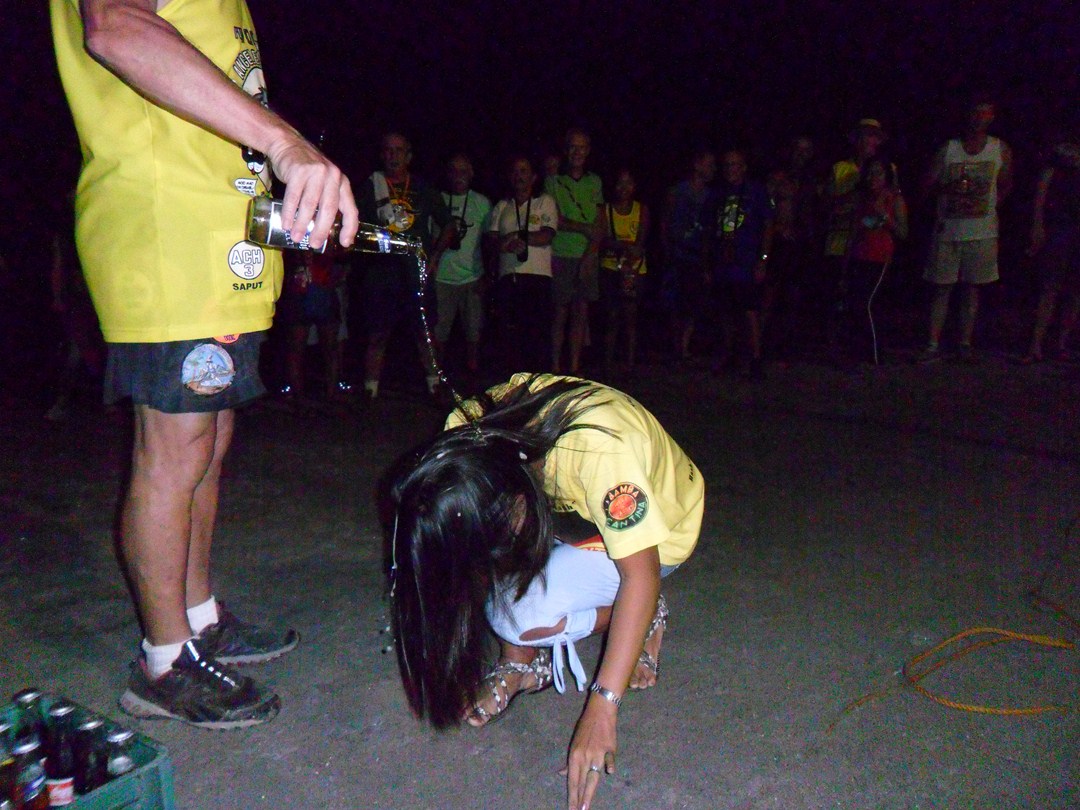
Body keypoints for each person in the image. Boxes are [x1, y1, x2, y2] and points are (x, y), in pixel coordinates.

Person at [51, 0, 359, 728]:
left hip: (223, 237)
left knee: (209, 441)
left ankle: (197, 618)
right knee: (173, 450)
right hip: (169, 231)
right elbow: (113, 26)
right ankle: (164, 662)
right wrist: (285, 142)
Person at [388, 373, 704, 810]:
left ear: (516, 497)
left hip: (662, 531)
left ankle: (645, 613)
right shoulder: (464, 434)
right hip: (576, 517)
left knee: (524, 618)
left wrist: (602, 707)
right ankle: (522, 663)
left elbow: (641, 572)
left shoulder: (600, 451)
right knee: (504, 599)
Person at [356, 132, 454, 399]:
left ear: (409, 156)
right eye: (388, 150)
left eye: (399, 150)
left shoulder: (423, 188)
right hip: (381, 272)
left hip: (416, 272)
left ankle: (435, 387)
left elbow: (448, 224)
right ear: (382, 155)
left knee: (425, 333)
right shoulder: (371, 187)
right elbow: (354, 225)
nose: (393, 156)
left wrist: (434, 257)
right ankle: (370, 391)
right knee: (377, 334)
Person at [918, 95, 1013, 363]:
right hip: (948, 229)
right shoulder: (949, 149)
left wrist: (988, 207)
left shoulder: (999, 148)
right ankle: (932, 344)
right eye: (975, 112)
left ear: (992, 117)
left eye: (985, 113)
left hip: (982, 232)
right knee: (942, 288)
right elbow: (926, 185)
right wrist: (945, 190)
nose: (979, 118)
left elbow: (1006, 184)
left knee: (972, 289)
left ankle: (964, 344)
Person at [703, 149, 775, 380]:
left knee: (749, 310)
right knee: (725, 311)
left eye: (735, 165)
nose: (731, 169)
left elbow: (768, 225)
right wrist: (707, 263)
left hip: (746, 261)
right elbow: (708, 229)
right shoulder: (717, 194)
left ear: (744, 167)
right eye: (727, 165)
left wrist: (763, 259)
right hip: (722, 261)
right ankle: (729, 354)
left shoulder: (756, 191)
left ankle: (755, 358)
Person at [485, 157, 559, 374]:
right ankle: (513, 380)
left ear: (533, 177)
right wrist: (507, 244)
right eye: (515, 171)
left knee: (538, 333)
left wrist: (519, 237)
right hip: (509, 276)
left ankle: (540, 380)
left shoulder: (544, 201)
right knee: (511, 333)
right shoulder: (502, 206)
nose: (519, 176)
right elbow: (492, 241)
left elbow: (546, 235)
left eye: (524, 171)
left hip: (538, 276)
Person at [822, 120, 888, 350]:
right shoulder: (840, 169)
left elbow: (890, 205)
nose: (869, 141)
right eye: (865, 135)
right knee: (835, 295)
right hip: (839, 242)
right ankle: (833, 345)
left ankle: (859, 346)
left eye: (874, 136)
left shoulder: (885, 169)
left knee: (862, 299)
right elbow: (828, 205)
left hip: (868, 245)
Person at [546, 129, 604, 374]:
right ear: (566, 150)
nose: (577, 152)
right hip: (561, 253)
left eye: (581, 147)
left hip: (586, 255)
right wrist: (584, 228)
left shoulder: (594, 181)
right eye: (573, 147)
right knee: (560, 312)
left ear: (588, 151)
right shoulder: (554, 181)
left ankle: (574, 367)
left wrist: (591, 254)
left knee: (581, 313)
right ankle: (555, 366)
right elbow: (554, 218)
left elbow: (599, 220)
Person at [1020, 137, 1080, 363]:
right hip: (1060, 228)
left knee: (1075, 290)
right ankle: (1035, 345)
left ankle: (1061, 344)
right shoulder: (1058, 160)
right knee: (1049, 288)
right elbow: (1041, 194)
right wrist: (1037, 226)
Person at [844, 157, 908, 365]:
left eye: (878, 173)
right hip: (859, 256)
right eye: (870, 173)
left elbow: (903, 232)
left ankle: (874, 352)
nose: (873, 177)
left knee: (867, 303)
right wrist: (847, 257)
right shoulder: (863, 199)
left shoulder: (894, 199)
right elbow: (855, 229)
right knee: (855, 303)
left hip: (880, 258)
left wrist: (885, 216)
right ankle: (858, 350)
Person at [433, 154, 492, 376]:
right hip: (442, 278)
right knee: (439, 333)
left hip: (472, 277)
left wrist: (487, 275)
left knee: (474, 332)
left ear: (471, 174)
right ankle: (437, 376)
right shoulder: (438, 199)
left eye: (464, 171)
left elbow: (490, 242)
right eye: (454, 171)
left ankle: (472, 373)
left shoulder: (482, 202)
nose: (459, 176)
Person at [661, 149, 716, 361]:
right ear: (697, 165)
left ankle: (684, 347)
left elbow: (709, 231)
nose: (712, 169)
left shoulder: (710, 195)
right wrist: (667, 251)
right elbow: (665, 222)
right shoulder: (677, 191)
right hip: (677, 254)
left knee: (693, 304)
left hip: (697, 257)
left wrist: (707, 261)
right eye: (709, 164)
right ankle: (675, 346)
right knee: (675, 303)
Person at [597, 168, 650, 378]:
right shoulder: (606, 210)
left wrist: (626, 250)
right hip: (611, 268)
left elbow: (641, 241)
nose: (624, 188)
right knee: (611, 316)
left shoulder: (642, 210)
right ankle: (608, 364)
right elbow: (603, 239)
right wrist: (624, 246)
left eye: (628, 183)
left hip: (634, 270)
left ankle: (630, 363)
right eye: (620, 183)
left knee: (631, 317)